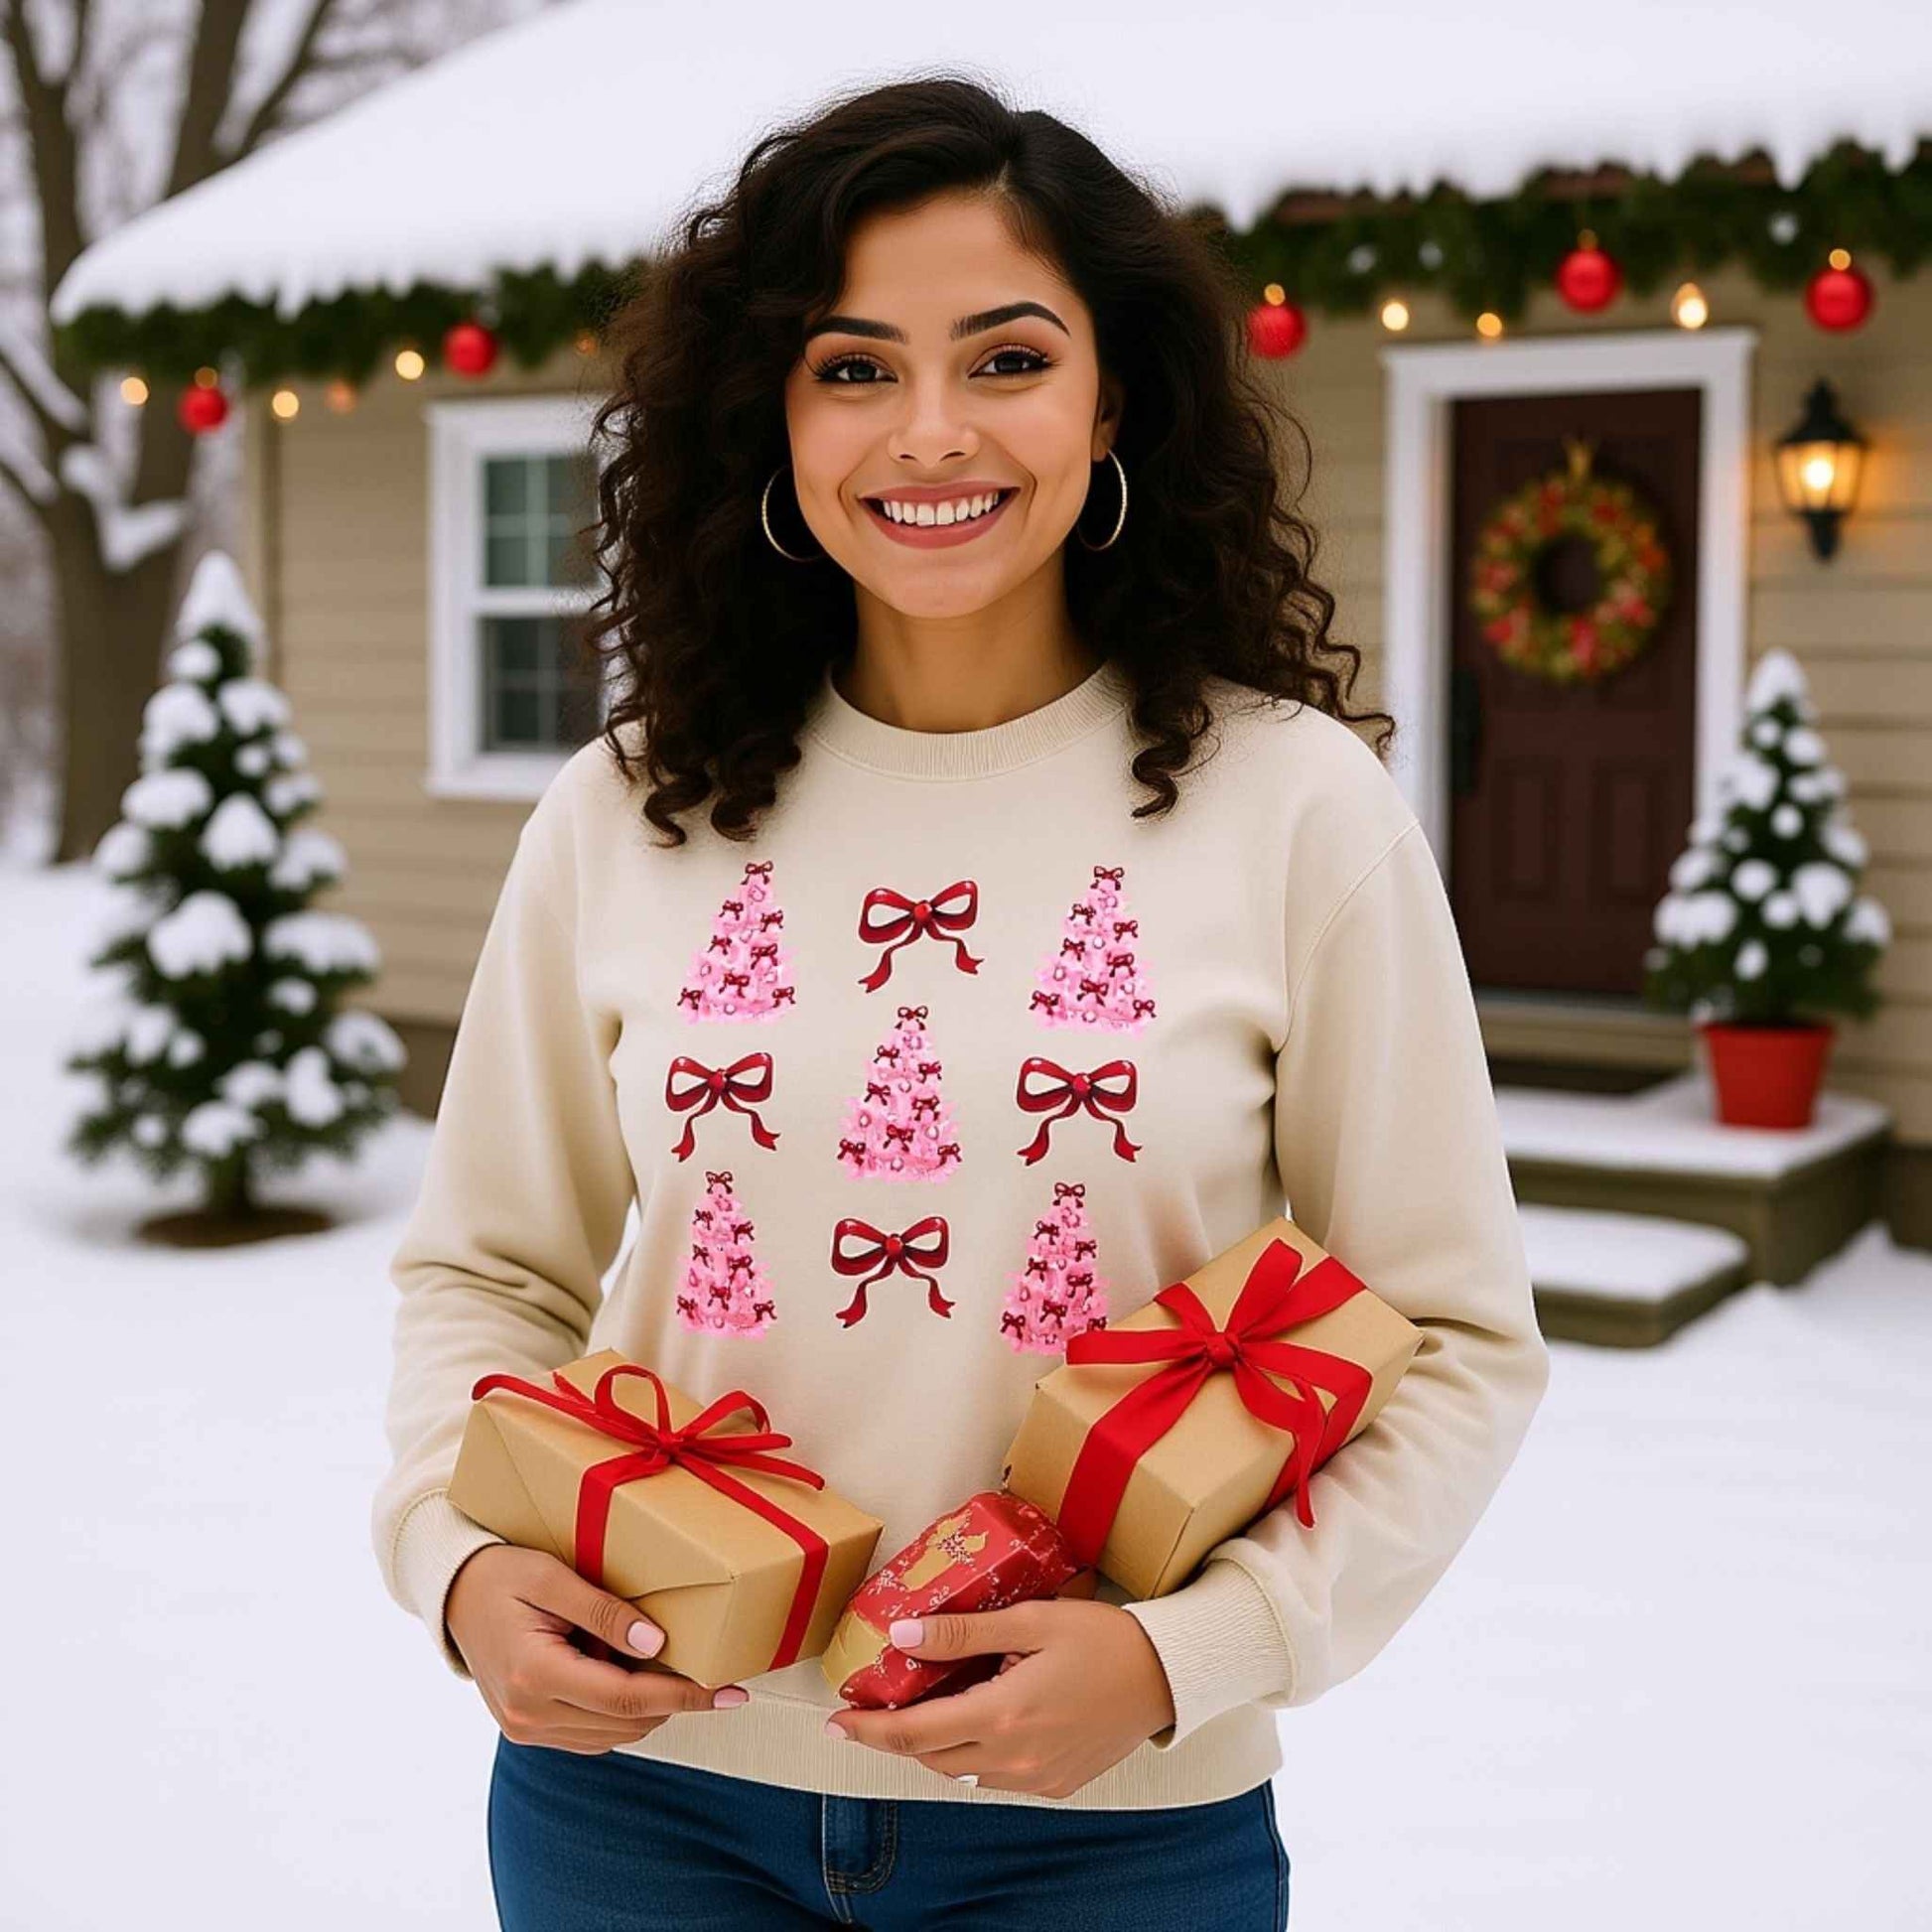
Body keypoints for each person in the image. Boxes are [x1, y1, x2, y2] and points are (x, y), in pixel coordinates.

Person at [370, 73, 1551, 1931]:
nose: (928, 431)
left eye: (1005, 358)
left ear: (1114, 400)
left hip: (1114, 1829)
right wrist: (454, 1562)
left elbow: (1454, 1331)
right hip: (641, 1809)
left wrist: (1189, 1653)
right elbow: (482, 1278)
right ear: (766, 412)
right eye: (851, 367)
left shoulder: (1293, 807)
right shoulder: (627, 810)